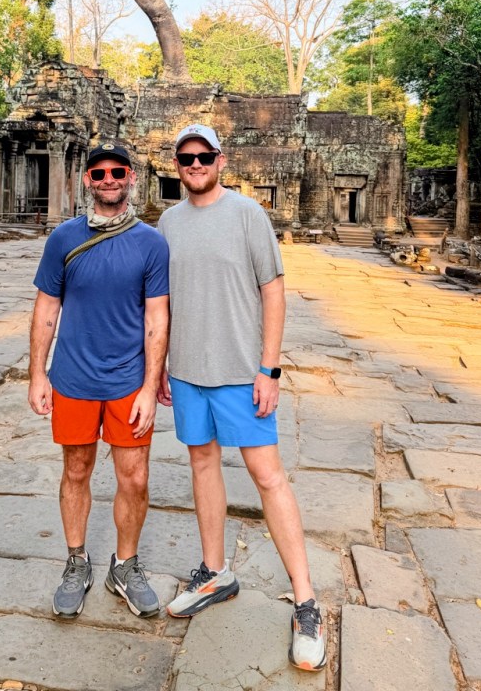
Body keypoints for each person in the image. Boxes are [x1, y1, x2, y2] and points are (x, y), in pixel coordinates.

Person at [157, 124, 326, 672]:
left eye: (203, 156)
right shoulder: (168, 222)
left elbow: (272, 292)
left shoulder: (248, 214)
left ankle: (306, 600)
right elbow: (163, 302)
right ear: (177, 165)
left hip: (240, 371)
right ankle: (215, 572)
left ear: (220, 160)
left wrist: (269, 368)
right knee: (202, 463)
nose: (195, 165)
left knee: (267, 475)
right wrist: (159, 368)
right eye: (186, 158)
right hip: (187, 370)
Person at [28, 141, 169, 620]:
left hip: (128, 379)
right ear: (87, 179)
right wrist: (37, 374)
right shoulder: (63, 238)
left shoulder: (151, 243)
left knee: (135, 475)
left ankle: (124, 565)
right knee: (76, 470)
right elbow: (47, 309)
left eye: (117, 172)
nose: (109, 179)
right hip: (73, 377)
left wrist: (149, 386)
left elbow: (157, 319)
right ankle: (76, 560)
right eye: (100, 173)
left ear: (132, 177)